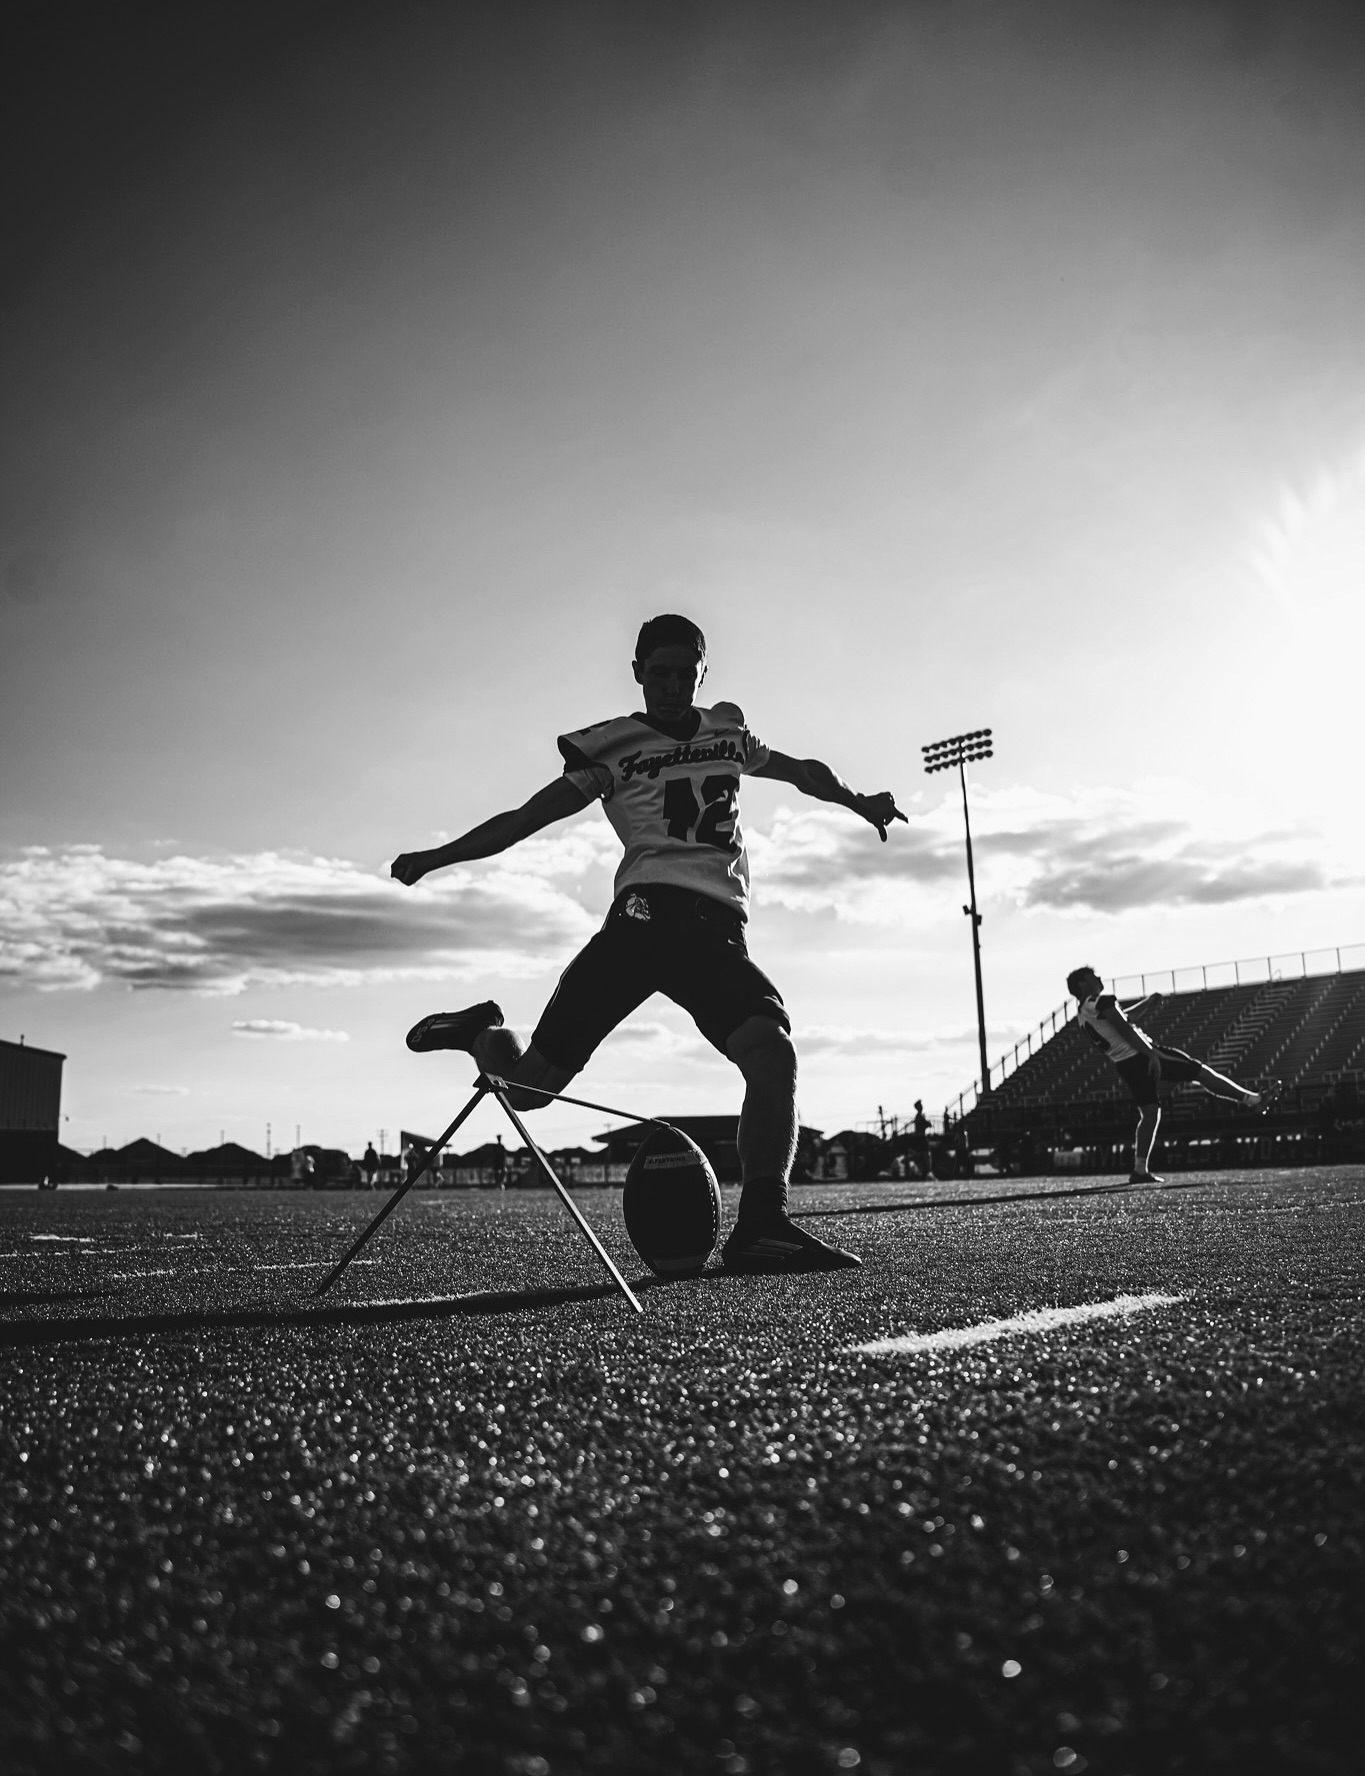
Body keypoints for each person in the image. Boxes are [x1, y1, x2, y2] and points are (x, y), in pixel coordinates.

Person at [392, 613, 907, 1273]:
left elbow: (802, 770)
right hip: (646, 918)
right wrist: (439, 856)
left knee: (769, 1053)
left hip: (716, 925)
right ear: (636, 671)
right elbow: (523, 820)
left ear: (701, 674)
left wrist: (858, 801)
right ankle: (481, 1033)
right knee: (527, 1092)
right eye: (657, 673)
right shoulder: (613, 746)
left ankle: (761, 1226)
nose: (670, 686)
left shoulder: (725, 730)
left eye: (683, 675)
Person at [1065, 965, 1282, 1184]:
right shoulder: (1101, 1000)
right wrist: (1151, 1054)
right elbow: (1125, 1029)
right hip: (1140, 1055)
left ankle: (1140, 1169)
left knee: (1149, 1114)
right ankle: (1253, 1100)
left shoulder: (1084, 1013)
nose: (1099, 977)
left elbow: (1122, 1018)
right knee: (1200, 1072)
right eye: (1093, 976)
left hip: (1124, 1064)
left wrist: (1147, 1004)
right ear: (1083, 983)